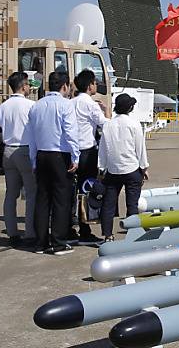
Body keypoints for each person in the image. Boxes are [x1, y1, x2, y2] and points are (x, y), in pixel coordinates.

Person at [25, 72, 80, 255]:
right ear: (64, 86)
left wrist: (33, 160)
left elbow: (31, 137)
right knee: (61, 200)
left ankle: (40, 243)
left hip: (41, 154)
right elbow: (71, 132)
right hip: (60, 155)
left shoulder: (36, 106)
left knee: (42, 198)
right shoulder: (66, 105)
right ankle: (58, 242)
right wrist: (75, 156)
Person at [98, 94, 150, 242]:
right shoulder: (134, 124)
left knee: (108, 204)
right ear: (130, 108)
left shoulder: (108, 125)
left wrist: (101, 168)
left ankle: (108, 235)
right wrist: (144, 168)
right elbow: (140, 148)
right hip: (132, 169)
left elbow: (103, 149)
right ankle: (133, 235)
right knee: (132, 204)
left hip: (113, 170)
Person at [0, 71, 36, 247]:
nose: (29, 87)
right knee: (31, 193)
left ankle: (12, 232)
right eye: (28, 84)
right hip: (24, 149)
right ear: (22, 86)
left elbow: (0, 125)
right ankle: (30, 232)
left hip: (8, 149)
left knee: (10, 194)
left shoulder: (3, 106)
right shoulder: (30, 105)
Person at [70, 70, 108, 244]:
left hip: (71, 151)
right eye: (94, 82)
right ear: (89, 85)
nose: (96, 85)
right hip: (87, 151)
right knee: (86, 190)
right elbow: (105, 124)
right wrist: (107, 111)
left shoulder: (71, 103)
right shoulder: (90, 104)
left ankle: (70, 224)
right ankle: (86, 229)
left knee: (72, 190)